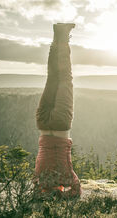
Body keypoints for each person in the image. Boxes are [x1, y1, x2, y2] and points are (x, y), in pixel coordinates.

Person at [34, 23, 81, 197]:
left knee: (64, 77)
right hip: (43, 122)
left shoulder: (66, 175)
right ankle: (58, 36)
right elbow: (37, 192)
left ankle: (62, 36)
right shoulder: (39, 176)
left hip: (61, 123)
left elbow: (76, 191)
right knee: (52, 77)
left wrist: (63, 194)